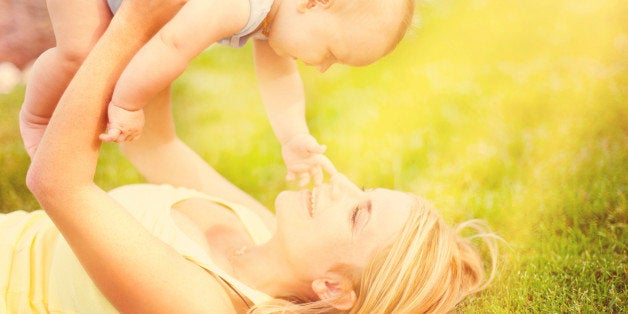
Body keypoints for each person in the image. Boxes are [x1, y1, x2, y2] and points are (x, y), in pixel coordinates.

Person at [6, 2, 499, 313]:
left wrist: (137, 19)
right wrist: (167, 36)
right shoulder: (257, 226)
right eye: (364, 191)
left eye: (358, 212)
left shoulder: (204, 304)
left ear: (332, 288)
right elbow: (155, 145)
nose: (342, 184)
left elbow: (59, 184)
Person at [18, 0, 416, 187]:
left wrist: (293, 136)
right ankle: (36, 118)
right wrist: (127, 103)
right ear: (315, 4)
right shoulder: (239, 5)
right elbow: (172, 44)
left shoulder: (276, 18)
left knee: (99, 51)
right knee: (82, 54)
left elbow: (280, 79)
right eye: (331, 53)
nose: (324, 67)